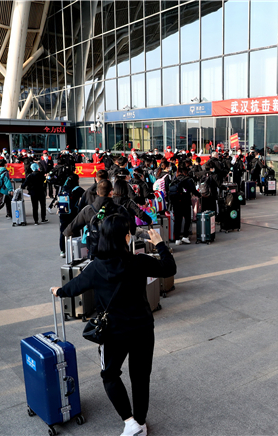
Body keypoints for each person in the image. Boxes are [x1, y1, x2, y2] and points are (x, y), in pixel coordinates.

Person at [51, 216, 176, 436]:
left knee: (109, 375)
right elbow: (169, 267)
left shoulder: (95, 267)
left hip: (113, 333)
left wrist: (58, 291)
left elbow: (73, 287)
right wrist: (159, 243)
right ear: (126, 237)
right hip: (143, 329)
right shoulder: (139, 261)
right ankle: (140, 422)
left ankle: (129, 422)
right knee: (140, 377)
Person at [168, 166, 201, 245]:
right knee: (187, 219)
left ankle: (177, 239)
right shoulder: (188, 180)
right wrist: (199, 195)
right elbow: (193, 190)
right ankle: (185, 236)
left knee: (177, 220)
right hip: (185, 202)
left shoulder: (175, 179)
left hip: (176, 202)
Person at [58, 174, 85, 257]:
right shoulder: (78, 189)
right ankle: (74, 249)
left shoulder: (63, 188)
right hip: (73, 213)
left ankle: (63, 251)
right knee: (74, 230)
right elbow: (85, 197)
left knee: (63, 231)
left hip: (63, 213)